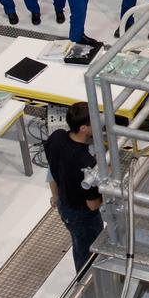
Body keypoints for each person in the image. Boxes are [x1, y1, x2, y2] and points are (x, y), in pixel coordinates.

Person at [44, 100, 104, 272]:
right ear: (84, 128)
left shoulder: (57, 137)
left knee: (79, 247)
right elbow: (93, 205)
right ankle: (88, 289)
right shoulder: (87, 166)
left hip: (64, 205)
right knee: (89, 255)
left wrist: (55, 196)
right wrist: (105, 184)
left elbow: (51, 170)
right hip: (83, 217)